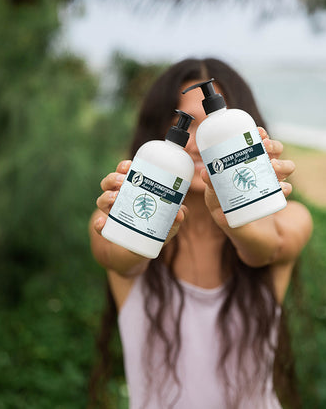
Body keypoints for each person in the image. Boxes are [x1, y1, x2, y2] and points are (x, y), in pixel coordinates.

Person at [89, 58, 313, 409]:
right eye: (185, 125)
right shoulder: (115, 221)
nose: (196, 145)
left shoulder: (290, 217)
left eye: (211, 128)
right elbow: (122, 258)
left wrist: (235, 217)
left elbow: (267, 249)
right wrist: (143, 229)